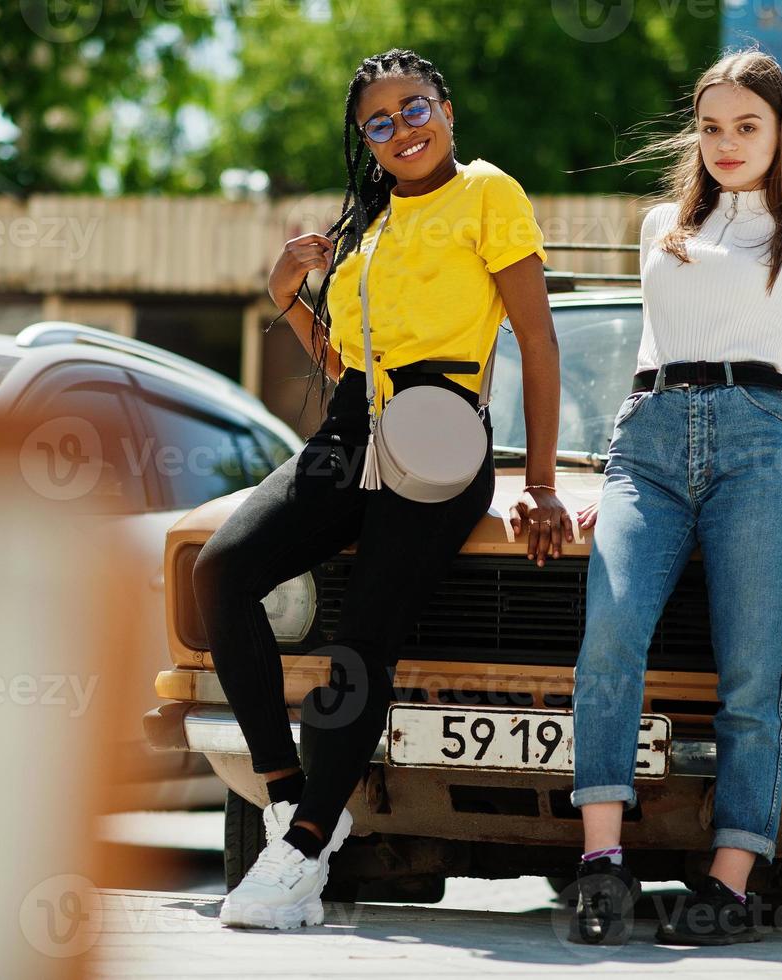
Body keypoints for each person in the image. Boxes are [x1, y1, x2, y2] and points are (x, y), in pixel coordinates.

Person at [194, 47, 572, 930]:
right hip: (351, 430)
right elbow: (345, 366)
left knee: (361, 638)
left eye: (414, 109)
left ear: (445, 110)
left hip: (439, 439)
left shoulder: (488, 194)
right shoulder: (363, 221)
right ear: (362, 139)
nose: (400, 128)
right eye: (378, 120)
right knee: (219, 573)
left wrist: (544, 482)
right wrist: (289, 298)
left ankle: (298, 859)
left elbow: (537, 341)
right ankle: (291, 804)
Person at [566, 49, 782, 946]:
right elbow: (643, 350)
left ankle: (729, 882)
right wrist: (610, 469)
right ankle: (601, 867)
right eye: (711, 126)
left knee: (754, 671)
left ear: (778, 133)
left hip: (758, 442)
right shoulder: (658, 227)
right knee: (610, 636)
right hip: (647, 446)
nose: (725, 142)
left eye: (745, 126)